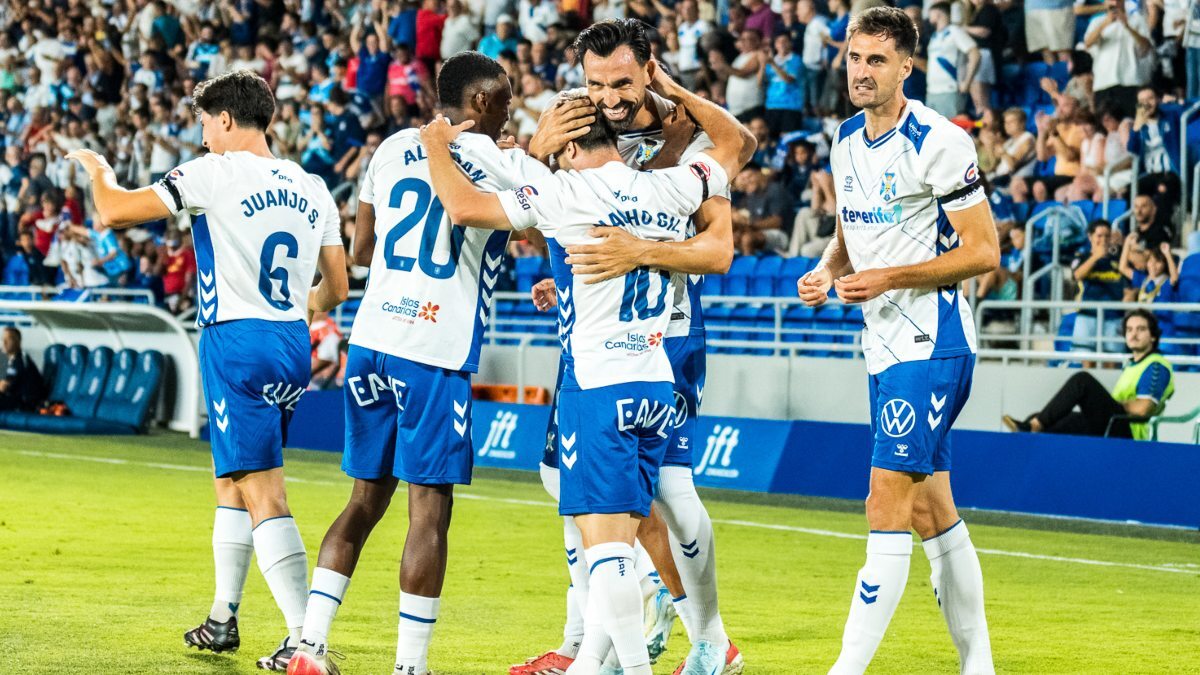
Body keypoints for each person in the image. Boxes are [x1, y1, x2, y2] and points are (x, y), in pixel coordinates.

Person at [420, 63, 752, 675]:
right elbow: (732, 144)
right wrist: (674, 91)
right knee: (623, 541)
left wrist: (438, 143)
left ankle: (632, 665)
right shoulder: (675, 185)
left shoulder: (563, 193)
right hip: (656, 382)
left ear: (572, 145)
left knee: (606, 555)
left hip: (598, 386)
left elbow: (463, 205)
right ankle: (598, 659)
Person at [66, 69, 349, 671]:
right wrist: (294, 309)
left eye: (203, 122)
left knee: (261, 488)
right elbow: (337, 288)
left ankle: (306, 642)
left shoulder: (212, 173)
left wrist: (97, 170)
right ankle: (223, 617)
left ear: (224, 119)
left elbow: (115, 212)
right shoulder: (312, 186)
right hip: (290, 342)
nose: (201, 135)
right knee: (233, 479)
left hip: (235, 340)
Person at [285, 52, 557, 675]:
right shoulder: (502, 164)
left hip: (373, 338)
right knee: (429, 512)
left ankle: (309, 647)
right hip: (434, 350)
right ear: (483, 102)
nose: (512, 114)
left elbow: (359, 250)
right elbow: (544, 231)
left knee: (362, 500)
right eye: (508, 103)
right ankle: (410, 666)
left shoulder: (390, 148)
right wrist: (516, 163)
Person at [517, 19, 748, 675]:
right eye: (596, 83)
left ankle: (707, 636)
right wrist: (562, 280)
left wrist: (638, 253)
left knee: (668, 493)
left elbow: (737, 166)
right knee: (567, 477)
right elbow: (562, 214)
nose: (609, 96)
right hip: (592, 335)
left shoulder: (683, 132)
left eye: (622, 81)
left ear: (650, 70)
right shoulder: (580, 129)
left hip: (667, 336)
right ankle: (587, 645)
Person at [796, 8, 999, 674]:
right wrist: (830, 267)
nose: (860, 71)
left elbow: (984, 251)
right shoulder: (845, 137)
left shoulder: (940, 140)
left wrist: (887, 276)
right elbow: (851, 232)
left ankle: (844, 669)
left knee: (884, 499)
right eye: (855, 57)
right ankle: (980, 665)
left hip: (931, 340)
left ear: (906, 66)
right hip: (883, 346)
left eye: (876, 60)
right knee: (931, 508)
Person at [1002, 309, 1175, 439]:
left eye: (1140, 329)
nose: (1133, 334)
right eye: (1129, 329)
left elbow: (1142, 409)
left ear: (1153, 336)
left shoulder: (1156, 366)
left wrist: (1118, 404)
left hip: (1130, 433)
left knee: (1082, 381)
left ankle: (1034, 426)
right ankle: (1032, 436)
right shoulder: (1132, 364)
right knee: (1046, 420)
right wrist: (1122, 403)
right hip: (1114, 420)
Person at [1072, 220, 1126, 356]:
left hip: (1113, 316)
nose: (1103, 240)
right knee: (1086, 358)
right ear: (1090, 237)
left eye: (1107, 236)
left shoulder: (1118, 259)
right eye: (1099, 236)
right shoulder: (1082, 257)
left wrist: (1124, 243)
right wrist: (1096, 256)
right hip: (1087, 314)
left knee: (1112, 360)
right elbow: (1077, 275)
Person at [921, 2, 980, 118]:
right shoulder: (934, 36)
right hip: (932, 91)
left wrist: (967, 82)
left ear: (938, 13)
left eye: (931, 13)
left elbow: (975, 53)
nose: (928, 18)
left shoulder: (954, 31)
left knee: (949, 131)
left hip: (949, 90)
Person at [0, 327, 41, 412]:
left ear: (18, 342)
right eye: (2, 339)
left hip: (25, 403)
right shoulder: (9, 360)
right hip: (15, 399)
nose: (4, 343)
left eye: (9, 339)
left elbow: (3, 387)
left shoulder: (21, 360)